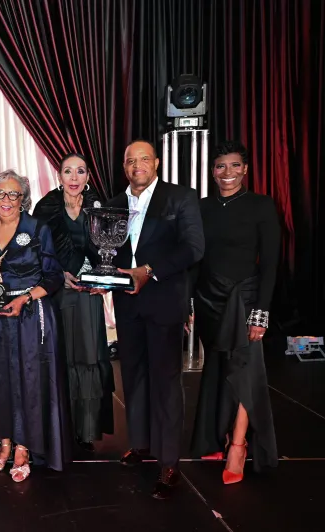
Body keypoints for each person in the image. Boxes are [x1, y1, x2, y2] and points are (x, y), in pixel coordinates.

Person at [107, 140, 204, 499]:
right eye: (130, 160)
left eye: (144, 159)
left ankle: (168, 462)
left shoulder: (180, 198)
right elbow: (107, 253)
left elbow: (194, 247)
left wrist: (149, 270)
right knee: (133, 376)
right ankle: (142, 442)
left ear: (157, 163)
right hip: (127, 304)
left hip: (163, 301)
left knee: (165, 382)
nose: (137, 166)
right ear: (124, 166)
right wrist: (97, 277)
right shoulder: (114, 204)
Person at [0, 169, 67, 482]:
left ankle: (24, 448)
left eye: (14, 194)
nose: (6, 200)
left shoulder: (37, 229)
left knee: (28, 382)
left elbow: (54, 276)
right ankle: (4, 444)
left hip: (29, 317)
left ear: (24, 200)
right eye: (1, 194)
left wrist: (24, 299)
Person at [190, 140, 280, 484]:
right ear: (212, 171)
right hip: (210, 299)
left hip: (245, 298)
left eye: (234, 166)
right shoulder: (201, 207)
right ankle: (216, 437)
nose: (227, 173)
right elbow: (196, 259)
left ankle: (239, 445)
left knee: (245, 371)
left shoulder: (261, 206)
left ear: (246, 169)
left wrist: (262, 312)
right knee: (216, 369)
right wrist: (190, 302)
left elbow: (270, 265)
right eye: (220, 166)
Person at [33, 153, 115, 452]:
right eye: (68, 171)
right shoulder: (45, 208)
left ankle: (85, 429)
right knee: (60, 358)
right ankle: (58, 427)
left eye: (80, 171)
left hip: (88, 295)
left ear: (88, 176)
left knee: (88, 358)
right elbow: (35, 252)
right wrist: (57, 273)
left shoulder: (101, 206)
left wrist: (102, 279)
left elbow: (112, 251)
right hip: (57, 293)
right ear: (59, 176)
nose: (74, 178)